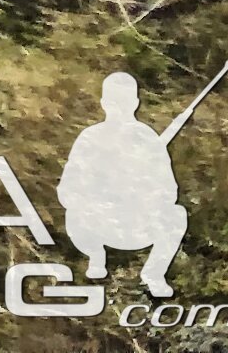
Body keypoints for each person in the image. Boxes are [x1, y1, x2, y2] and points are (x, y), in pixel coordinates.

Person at [61, 73, 188, 296]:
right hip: (98, 225)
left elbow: (169, 192)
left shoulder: (148, 140)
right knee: (74, 211)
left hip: (137, 226)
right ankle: (96, 256)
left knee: (176, 214)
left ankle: (153, 274)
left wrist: (140, 195)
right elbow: (68, 191)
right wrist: (99, 198)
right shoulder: (90, 138)